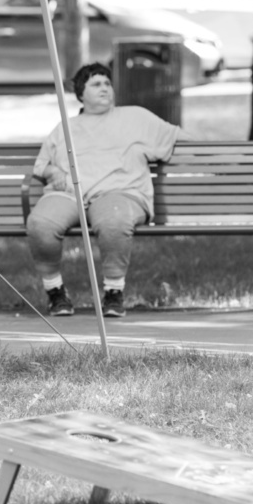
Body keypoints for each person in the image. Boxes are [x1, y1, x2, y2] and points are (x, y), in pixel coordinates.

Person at [27, 62, 184, 318]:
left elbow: (178, 137)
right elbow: (41, 164)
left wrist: (225, 158)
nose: (105, 88)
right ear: (81, 93)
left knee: (114, 219)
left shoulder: (135, 117)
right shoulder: (65, 127)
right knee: (40, 224)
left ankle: (114, 293)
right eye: (96, 84)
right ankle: (55, 292)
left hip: (120, 191)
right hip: (70, 193)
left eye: (108, 84)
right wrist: (53, 171)